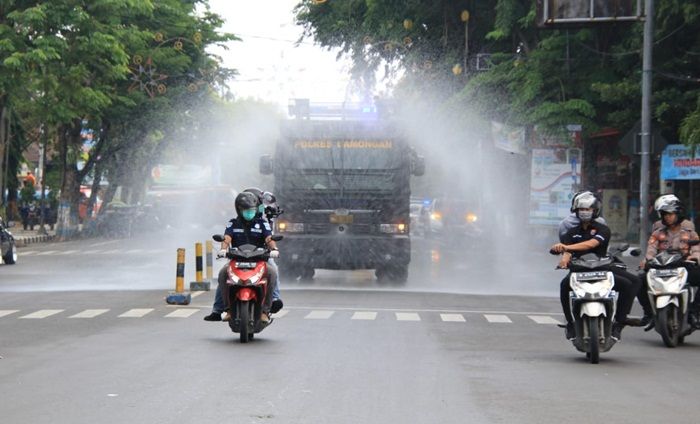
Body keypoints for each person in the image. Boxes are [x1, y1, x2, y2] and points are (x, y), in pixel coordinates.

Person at [551, 191, 640, 341]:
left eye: (588, 209)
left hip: (602, 267)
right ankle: (570, 324)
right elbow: (567, 250)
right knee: (564, 286)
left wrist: (567, 248)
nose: (585, 212)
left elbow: (591, 244)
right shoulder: (571, 232)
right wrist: (564, 259)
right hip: (579, 269)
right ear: (576, 211)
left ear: (595, 211)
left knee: (631, 283)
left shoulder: (602, 229)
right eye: (582, 210)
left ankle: (619, 321)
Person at [204, 191, 283, 322]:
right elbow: (227, 238)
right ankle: (226, 310)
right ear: (239, 210)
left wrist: (274, 249)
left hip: (259, 259)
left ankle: (266, 310)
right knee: (223, 274)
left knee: (273, 273)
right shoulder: (233, 223)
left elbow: (269, 238)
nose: (249, 212)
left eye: (251, 210)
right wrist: (223, 249)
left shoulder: (262, 223)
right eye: (246, 210)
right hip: (237, 259)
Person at [640, 195, 700, 328]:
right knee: (639, 281)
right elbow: (651, 249)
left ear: (678, 214)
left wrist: (694, 257)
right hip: (661, 266)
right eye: (664, 214)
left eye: (670, 214)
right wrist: (647, 260)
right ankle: (649, 314)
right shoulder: (657, 233)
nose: (667, 217)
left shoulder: (689, 232)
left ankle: (694, 312)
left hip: (683, 266)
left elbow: (696, 247)